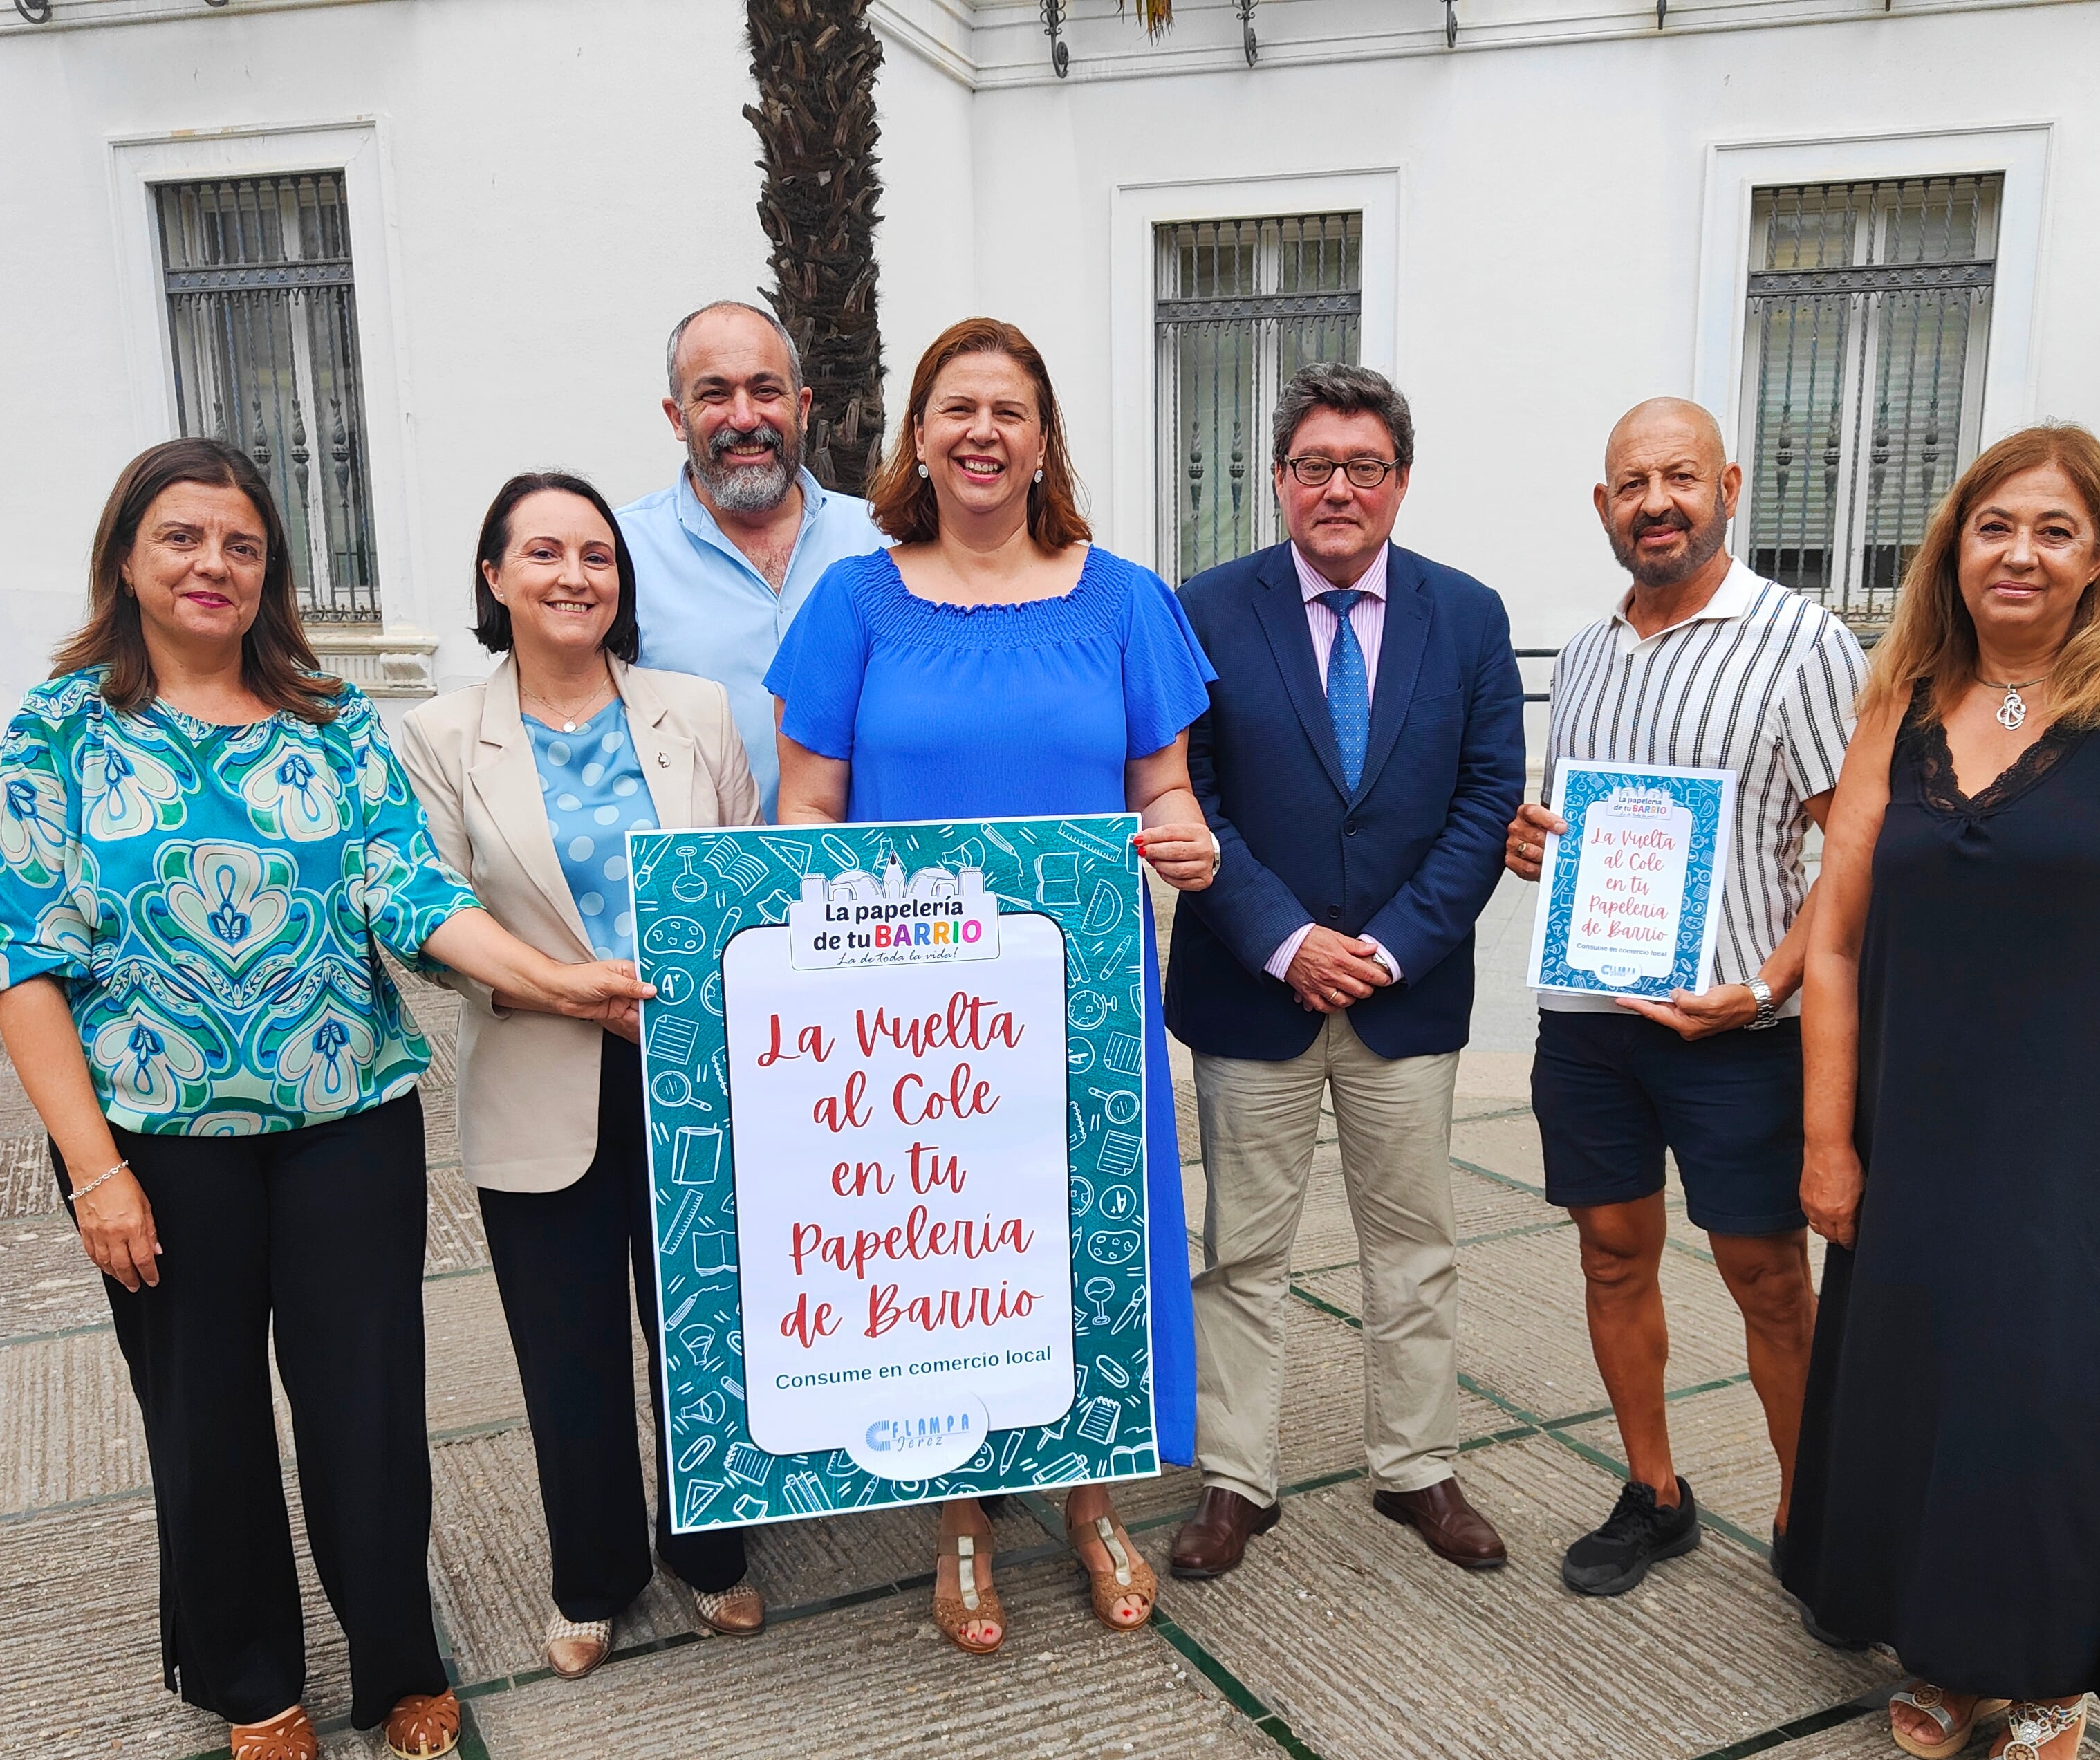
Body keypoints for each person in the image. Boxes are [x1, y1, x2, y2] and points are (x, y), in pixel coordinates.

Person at [0, 439, 650, 1760]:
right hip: (158, 1148)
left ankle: (398, 1656)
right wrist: (94, 1171)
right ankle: (252, 1675)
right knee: (204, 1416)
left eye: (238, 543)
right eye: (181, 538)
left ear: (268, 570)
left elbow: (413, 893)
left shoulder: (333, 722)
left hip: (347, 1124)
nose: (212, 564)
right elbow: (18, 959)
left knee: (369, 1410)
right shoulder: (60, 728)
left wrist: (556, 984)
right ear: (127, 558)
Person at [1781, 423, 2100, 1760]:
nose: (2019, 553)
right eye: (1994, 525)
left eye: (2053, 529)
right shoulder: (1902, 702)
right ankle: (1943, 1649)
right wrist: (1826, 1140)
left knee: (2055, 1400)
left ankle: (2047, 1686)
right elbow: (1837, 948)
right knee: (1920, 1384)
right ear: (1954, 544)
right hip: (1916, 1129)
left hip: (2087, 1143)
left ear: (2098, 553)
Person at [769, 317, 1218, 1657]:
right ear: (917, 435)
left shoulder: (1125, 599)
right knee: (940, 1248)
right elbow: (805, 805)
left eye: (1007, 410)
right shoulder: (852, 603)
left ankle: (1087, 1501)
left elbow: (1163, 788)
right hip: (904, 1014)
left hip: (1076, 1002)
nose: (980, 431)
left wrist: (1186, 841)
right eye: (955, 407)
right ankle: (959, 1509)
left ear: (1040, 440)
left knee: (1082, 1240)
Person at [396, 472, 766, 1681]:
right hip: (538, 1071)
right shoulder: (441, 737)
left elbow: (746, 886)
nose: (574, 575)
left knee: (705, 1329)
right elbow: (429, 921)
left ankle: (713, 1559)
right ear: (495, 580)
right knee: (568, 1351)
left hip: (693, 1073)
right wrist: (558, 989)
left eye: (598, 554)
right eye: (543, 552)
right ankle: (593, 1577)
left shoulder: (695, 710)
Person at [1163, 362, 1525, 1582]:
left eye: (1364, 467)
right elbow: (1187, 792)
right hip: (1249, 984)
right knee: (1243, 1254)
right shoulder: (1203, 611)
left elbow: (1486, 800)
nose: (1338, 488)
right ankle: (1235, 1481)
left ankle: (1417, 1466)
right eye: (1313, 466)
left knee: (1411, 1244)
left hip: (1403, 993)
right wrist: (1286, 939)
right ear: (1277, 481)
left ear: (1401, 484)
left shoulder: (1467, 616)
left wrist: (1389, 945)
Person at [1503, 399, 1864, 1609]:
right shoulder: (1589, 649)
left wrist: (1765, 986)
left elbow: (1850, 856)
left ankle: (1812, 1516)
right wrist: (1534, 841)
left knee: (1766, 1274)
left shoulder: (1803, 642)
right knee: (1612, 1255)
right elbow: (1592, 827)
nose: (1655, 501)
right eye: (1630, 483)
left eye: (1679, 477)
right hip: (1593, 1023)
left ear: (1729, 486)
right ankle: (1654, 1492)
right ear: (1602, 505)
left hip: (1739, 1029)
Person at [620, 301, 889, 815]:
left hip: (869, 883)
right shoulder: (617, 557)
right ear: (677, 417)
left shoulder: (885, 541)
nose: (744, 419)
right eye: (714, 395)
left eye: (766, 391)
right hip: (701, 880)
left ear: (803, 408)